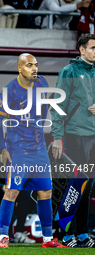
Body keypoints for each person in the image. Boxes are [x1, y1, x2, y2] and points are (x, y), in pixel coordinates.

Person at [0, 53, 68, 248]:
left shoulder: (42, 82)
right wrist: (3, 148)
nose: (34, 68)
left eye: (36, 65)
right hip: (18, 150)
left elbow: (45, 109)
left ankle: (48, 239)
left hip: (39, 149)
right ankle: (3, 237)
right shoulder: (9, 90)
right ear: (19, 68)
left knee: (46, 191)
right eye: (29, 65)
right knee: (12, 192)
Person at [51, 33, 95, 248]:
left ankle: (83, 234)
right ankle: (67, 234)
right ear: (81, 49)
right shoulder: (69, 72)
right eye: (93, 48)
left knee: (87, 185)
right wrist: (57, 137)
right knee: (76, 185)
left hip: (93, 137)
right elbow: (57, 107)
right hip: (74, 135)